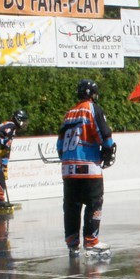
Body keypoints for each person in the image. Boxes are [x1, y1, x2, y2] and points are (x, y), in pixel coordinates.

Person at [58, 79, 116, 256]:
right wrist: (109, 149)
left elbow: (60, 145)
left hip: (68, 170)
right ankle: (91, 241)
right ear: (92, 94)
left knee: (71, 207)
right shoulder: (92, 109)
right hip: (89, 168)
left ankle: (72, 244)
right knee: (94, 203)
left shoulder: (69, 114)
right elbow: (104, 134)